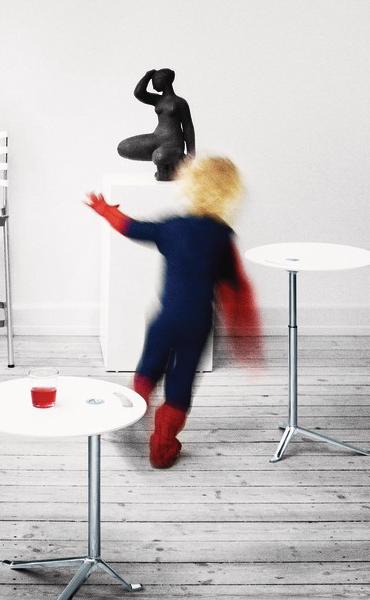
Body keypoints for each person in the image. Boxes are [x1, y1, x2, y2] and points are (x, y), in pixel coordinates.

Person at [85, 156, 262, 468]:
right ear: (230, 194)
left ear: (190, 187)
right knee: (181, 381)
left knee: (149, 368)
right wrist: (245, 337)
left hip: (166, 319)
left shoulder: (172, 227)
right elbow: (234, 287)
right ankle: (163, 445)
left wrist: (106, 210)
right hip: (198, 323)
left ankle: (130, 415)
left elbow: (131, 227)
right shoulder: (223, 237)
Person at [117, 68, 195, 181]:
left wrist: (191, 153)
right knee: (123, 147)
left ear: (165, 80)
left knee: (158, 157)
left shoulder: (180, 102)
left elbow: (188, 127)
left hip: (173, 143)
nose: (153, 84)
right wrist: (148, 75)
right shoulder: (158, 100)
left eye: (155, 80)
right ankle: (165, 161)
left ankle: (175, 160)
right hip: (156, 138)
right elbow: (138, 93)